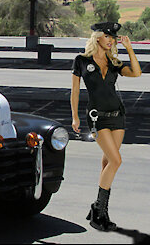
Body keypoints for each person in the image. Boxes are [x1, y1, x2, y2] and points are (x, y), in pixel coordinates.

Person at [70, 22, 142, 231]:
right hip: (96, 118)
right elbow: (75, 92)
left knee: (107, 164)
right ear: (98, 38)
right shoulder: (81, 61)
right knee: (116, 160)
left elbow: (136, 73)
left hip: (117, 117)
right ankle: (99, 212)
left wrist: (129, 48)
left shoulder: (114, 62)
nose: (111, 40)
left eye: (113, 38)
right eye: (107, 36)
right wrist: (74, 117)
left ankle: (99, 209)